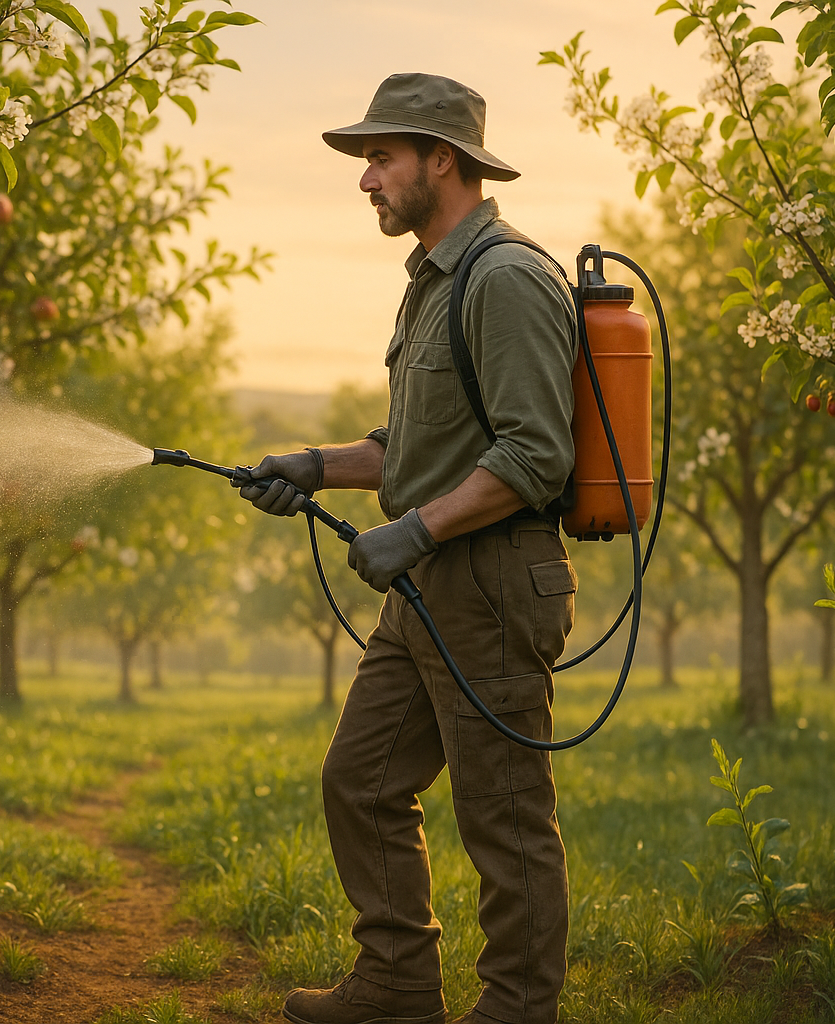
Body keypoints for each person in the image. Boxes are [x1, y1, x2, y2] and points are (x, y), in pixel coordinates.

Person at [239, 74, 579, 1024]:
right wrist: (313, 465)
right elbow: (416, 446)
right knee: (364, 778)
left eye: (380, 158)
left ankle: (518, 1009)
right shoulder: (434, 282)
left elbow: (535, 456)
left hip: (492, 579)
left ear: (444, 159)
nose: (365, 180)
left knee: (503, 814)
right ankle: (396, 985)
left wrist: (416, 529)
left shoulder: (505, 278)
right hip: (429, 580)